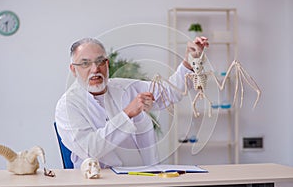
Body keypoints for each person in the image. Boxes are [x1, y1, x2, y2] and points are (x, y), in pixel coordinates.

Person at [55, 37, 209, 168]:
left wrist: (189, 61)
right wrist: (128, 113)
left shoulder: (125, 88)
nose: (95, 69)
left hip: (142, 177)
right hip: (98, 185)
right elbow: (90, 149)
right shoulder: (67, 106)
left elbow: (170, 92)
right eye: (85, 64)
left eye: (100, 61)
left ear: (107, 64)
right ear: (73, 69)